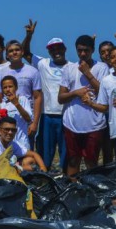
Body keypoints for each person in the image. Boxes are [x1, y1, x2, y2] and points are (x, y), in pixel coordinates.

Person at [58, 35, 109, 176]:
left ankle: (92, 193)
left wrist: (87, 73)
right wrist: (76, 93)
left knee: (91, 162)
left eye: (86, 50)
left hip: (95, 123)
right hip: (72, 123)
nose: (82, 54)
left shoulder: (102, 67)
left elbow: (103, 93)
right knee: (73, 161)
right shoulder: (69, 68)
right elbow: (61, 98)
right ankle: (73, 192)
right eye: (79, 50)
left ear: (92, 50)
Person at [22, 19, 69, 170]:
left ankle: (66, 180)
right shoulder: (43, 63)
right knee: (45, 153)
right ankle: (44, 179)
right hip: (47, 115)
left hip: (66, 116)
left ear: (65, 49)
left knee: (66, 152)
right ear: (49, 51)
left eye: (59, 48)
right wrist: (29, 36)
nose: (56, 51)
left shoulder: (73, 67)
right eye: (53, 49)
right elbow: (25, 53)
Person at [0, 76, 34, 151]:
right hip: (7, 145)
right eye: (5, 87)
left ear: (16, 87)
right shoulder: (2, 105)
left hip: (22, 143)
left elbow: (28, 119)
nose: (8, 89)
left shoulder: (23, 99)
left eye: (10, 86)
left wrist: (17, 104)